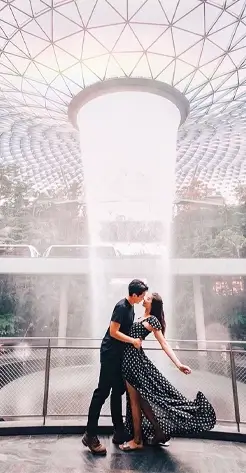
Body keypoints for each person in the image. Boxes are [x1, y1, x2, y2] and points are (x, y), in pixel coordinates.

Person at [119, 293, 216, 451]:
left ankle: (137, 441)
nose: (145, 299)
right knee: (141, 401)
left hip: (135, 362)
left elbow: (164, 343)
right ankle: (159, 432)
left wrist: (178, 364)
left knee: (135, 401)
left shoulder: (152, 320)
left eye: (148, 298)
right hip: (130, 361)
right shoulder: (139, 317)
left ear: (153, 304)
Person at [82, 279, 149, 455]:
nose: (143, 299)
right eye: (141, 296)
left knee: (118, 390)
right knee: (102, 393)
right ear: (134, 295)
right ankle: (90, 435)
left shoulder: (131, 307)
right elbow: (113, 331)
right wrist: (132, 340)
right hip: (110, 354)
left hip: (118, 355)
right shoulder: (121, 307)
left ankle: (118, 431)